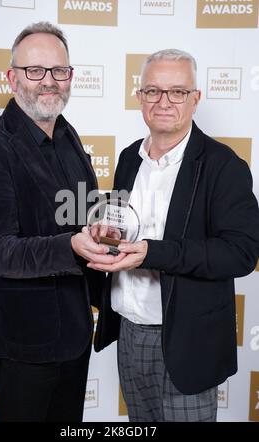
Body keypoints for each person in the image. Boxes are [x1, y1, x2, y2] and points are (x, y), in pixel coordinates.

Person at [89, 49, 259, 422]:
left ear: (195, 99)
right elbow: (124, 225)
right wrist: (107, 234)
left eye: (177, 92)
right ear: (140, 97)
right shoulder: (129, 157)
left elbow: (241, 253)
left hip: (188, 340)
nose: (163, 101)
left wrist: (153, 252)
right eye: (153, 91)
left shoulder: (223, 166)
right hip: (129, 333)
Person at [0, 21, 118, 422]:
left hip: (75, 333)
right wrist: (69, 246)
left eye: (58, 71)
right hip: (24, 343)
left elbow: (82, 213)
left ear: (70, 77)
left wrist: (102, 229)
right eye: (35, 71)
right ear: (12, 77)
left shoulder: (68, 135)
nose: (49, 82)